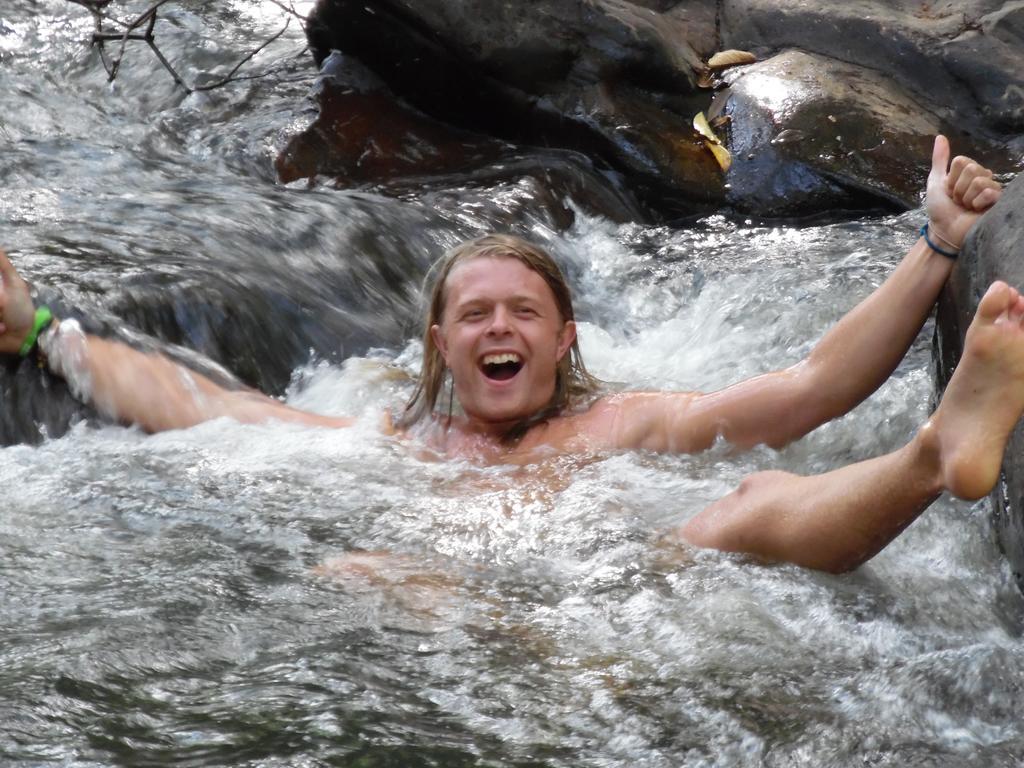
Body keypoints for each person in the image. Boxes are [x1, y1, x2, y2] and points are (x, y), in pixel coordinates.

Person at [0, 136, 1012, 574]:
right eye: (474, 313)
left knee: (740, 509)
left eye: (523, 313)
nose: (498, 329)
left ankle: (932, 456)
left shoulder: (622, 424)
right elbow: (199, 406)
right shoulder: (387, 442)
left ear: (565, 338)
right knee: (367, 571)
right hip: (499, 638)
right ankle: (932, 455)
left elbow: (809, 388)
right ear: (437, 342)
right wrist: (38, 330)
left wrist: (934, 248)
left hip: (630, 592)